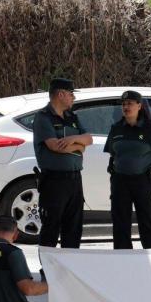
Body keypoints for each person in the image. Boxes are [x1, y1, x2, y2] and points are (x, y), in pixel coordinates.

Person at [32, 77, 93, 249]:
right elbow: (55, 146)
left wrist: (73, 139)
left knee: (73, 228)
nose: (73, 98)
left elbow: (88, 139)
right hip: (54, 180)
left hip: (74, 180)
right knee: (51, 227)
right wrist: (79, 147)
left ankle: (69, 271)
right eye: (71, 94)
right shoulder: (43, 117)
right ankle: (48, 272)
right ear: (61, 94)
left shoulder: (72, 117)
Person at [104, 90, 151, 249]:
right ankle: (123, 258)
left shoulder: (150, 128)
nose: (126, 107)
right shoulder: (116, 128)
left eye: (130, 104)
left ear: (139, 106)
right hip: (120, 181)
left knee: (146, 222)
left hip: (143, 181)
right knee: (120, 223)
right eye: (124, 104)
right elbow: (113, 152)